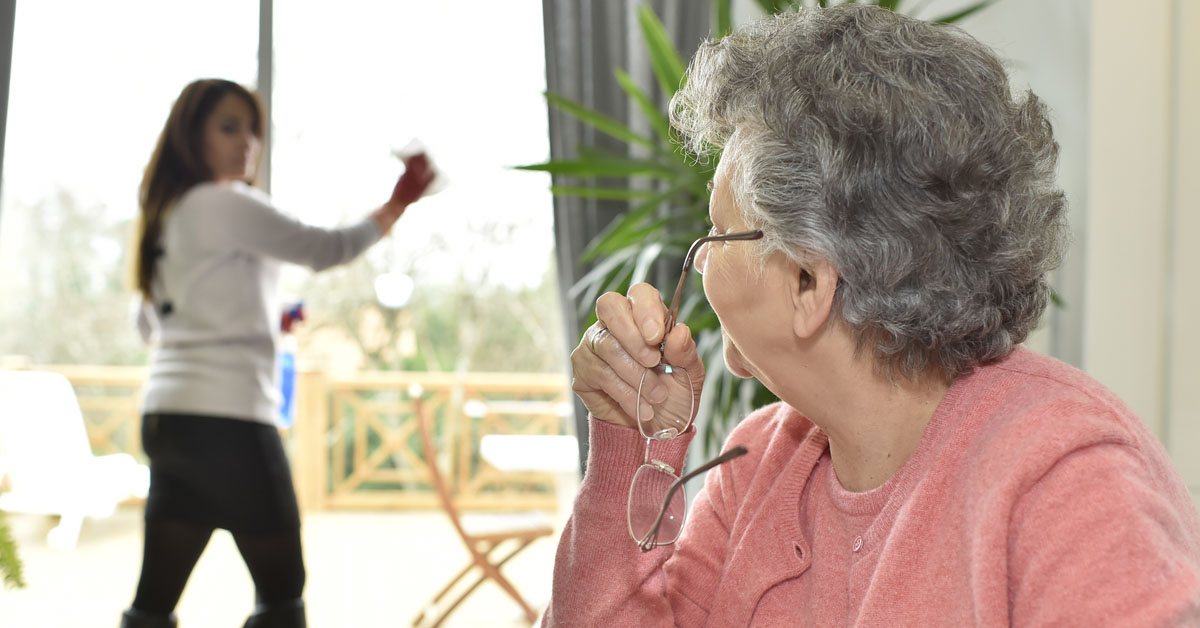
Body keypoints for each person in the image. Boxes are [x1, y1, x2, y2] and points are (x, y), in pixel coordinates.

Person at [547, 5, 1200, 626]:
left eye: (718, 233)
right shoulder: (758, 463)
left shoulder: (1068, 481)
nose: (701, 263)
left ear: (808, 282)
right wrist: (630, 435)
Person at [121, 78, 434, 628]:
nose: (247, 143)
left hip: (169, 421)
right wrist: (398, 203)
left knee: (154, 602)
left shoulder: (165, 214)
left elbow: (153, 325)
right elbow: (325, 248)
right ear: (189, 136)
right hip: (230, 423)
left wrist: (269, 319)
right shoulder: (224, 201)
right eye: (229, 127)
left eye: (253, 131)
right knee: (283, 594)